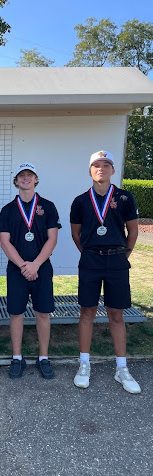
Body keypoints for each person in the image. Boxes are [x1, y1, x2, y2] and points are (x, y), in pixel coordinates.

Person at [70, 150, 140, 393]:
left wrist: (123, 255)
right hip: (90, 261)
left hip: (117, 262)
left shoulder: (124, 198)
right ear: (90, 171)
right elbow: (76, 234)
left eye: (106, 165)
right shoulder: (80, 201)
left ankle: (122, 368)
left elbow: (133, 231)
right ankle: (84, 364)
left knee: (116, 314)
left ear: (113, 170)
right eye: (96, 165)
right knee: (87, 311)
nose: (101, 168)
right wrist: (90, 254)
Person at [0, 163, 61, 379]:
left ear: (36, 180)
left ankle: (43, 357)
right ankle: (17, 357)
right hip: (17, 270)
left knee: (43, 313)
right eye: (21, 176)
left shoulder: (48, 206)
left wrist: (35, 264)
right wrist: (24, 265)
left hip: (42, 268)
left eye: (29, 175)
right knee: (16, 313)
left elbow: (52, 239)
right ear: (15, 181)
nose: (25, 178)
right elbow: (4, 242)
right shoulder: (7, 210)